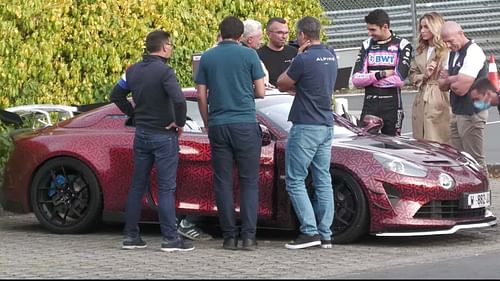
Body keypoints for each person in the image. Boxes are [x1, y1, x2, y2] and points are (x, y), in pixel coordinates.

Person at [110, 30, 194, 252]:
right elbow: (179, 99)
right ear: (165, 47)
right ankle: (170, 238)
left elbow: (115, 95)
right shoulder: (165, 72)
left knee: (138, 185)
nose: (172, 49)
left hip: (142, 134)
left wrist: (133, 114)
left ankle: (130, 236)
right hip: (163, 135)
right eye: (171, 45)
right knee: (166, 187)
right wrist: (178, 122)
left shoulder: (132, 70)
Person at [195, 16, 266, 251]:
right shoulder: (249, 55)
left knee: (223, 182)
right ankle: (248, 237)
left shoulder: (208, 56)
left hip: (218, 124)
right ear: (241, 36)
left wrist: (207, 122)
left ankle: (228, 237)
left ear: (221, 32)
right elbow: (261, 92)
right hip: (245, 124)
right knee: (248, 182)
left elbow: (201, 95)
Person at [276, 16, 337, 250]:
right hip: (326, 124)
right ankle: (326, 234)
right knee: (323, 179)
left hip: (306, 125)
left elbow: (282, 83)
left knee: (295, 180)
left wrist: (298, 58)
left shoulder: (304, 58)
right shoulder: (330, 55)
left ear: (302, 35)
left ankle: (309, 231)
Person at [351, 9, 413, 136]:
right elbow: (356, 79)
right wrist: (380, 74)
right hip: (370, 104)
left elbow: (399, 80)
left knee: (393, 146)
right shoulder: (366, 45)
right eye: (368, 29)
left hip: (392, 105)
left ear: (385, 27)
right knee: (366, 143)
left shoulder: (402, 45)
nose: (369, 33)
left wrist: (369, 80)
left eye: (373, 30)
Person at [438, 21, 488, 171]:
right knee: (460, 158)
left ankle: (483, 192)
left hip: (472, 112)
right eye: (445, 42)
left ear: (460, 34)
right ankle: (467, 190)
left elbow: (460, 89)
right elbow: (441, 85)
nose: (447, 45)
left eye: (450, 41)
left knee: (475, 159)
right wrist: (454, 78)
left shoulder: (473, 52)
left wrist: (449, 78)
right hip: (458, 111)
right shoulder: (453, 53)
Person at [409, 12, 451, 144]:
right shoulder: (421, 50)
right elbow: (412, 74)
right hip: (422, 95)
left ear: (435, 27)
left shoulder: (447, 50)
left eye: (426, 27)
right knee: (421, 138)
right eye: (421, 27)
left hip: (440, 95)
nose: (422, 31)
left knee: (438, 137)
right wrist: (424, 75)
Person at [257, 17, 298, 87]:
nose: (284, 36)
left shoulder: (294, 53)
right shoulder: (258, 55)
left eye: (286, 33)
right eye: (280, 33)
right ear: (268, 34)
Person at [241, 19, 270, 86]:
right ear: (250, 40)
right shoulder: (251, 55)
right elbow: (261, 84)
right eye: (260, 39)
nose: (262, 42)